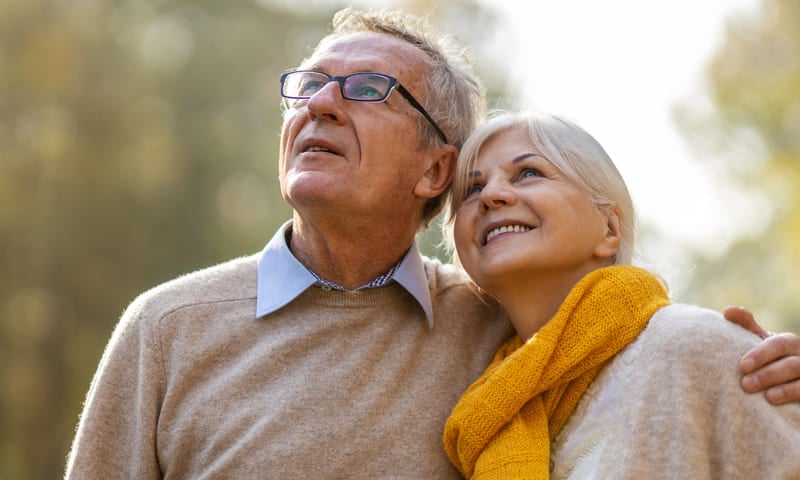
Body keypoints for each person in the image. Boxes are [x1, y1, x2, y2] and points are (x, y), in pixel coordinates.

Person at [65, 8, 800, 479]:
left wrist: (772, 375)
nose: (319, 104)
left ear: (433, 169)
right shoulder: (166, 329)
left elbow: (632, 354)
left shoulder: (498, 335)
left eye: (363, 90)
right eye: (309, 87)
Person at [442, 111, 800, 479]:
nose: (491, 195)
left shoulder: (696, 346)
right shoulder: (487, 409)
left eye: (529, 173)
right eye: (472, 189)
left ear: (609, 229)